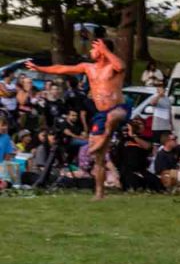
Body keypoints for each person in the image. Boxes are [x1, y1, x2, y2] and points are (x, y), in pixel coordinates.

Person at [27, 39, 127, 200]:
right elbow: (62, 68)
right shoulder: (88, 67)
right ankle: (100, 193)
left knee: (112, 117)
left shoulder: (113, 66)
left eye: (94, 48)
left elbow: (121, 66)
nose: (90, 51)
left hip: (118, 109)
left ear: (103, 50)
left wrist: (106, 50)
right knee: (99, 158)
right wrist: (40, 68)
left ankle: (107, 134)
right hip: (101, 114)